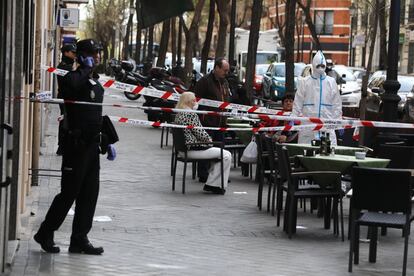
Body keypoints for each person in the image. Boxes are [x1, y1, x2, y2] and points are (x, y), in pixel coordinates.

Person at [34, 39, 105, 255]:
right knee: (69, 193)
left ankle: (79, 239)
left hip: (92, 144)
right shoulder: (69, 76)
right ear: (81, 56)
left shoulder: (93, 79)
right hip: (76, 144)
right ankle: (45, 232)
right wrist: (83, 68)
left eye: (98, 54)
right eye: (93, 54)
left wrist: (106, 138)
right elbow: (71, 87)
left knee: (90, 193)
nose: (97, 57)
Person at [174, 92, 232, 194]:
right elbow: (200, 133)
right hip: (192, 149)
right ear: (189, 102)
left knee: (219, 154)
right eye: (194, 100)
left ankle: (213, 182)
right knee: (226, 155)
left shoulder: (179, 113)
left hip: (182, 149)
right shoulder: (190, 114)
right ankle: (213, 185)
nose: (196, 102)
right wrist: (210, 141)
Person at [292, 51, 342, 145]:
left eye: (323, 66)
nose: (320, 68)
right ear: (314, 65)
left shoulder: (331, 82)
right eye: (318, 65)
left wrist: (337, 121)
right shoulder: (305, 82)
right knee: (305, 152)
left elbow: (337, 104)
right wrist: (293, 116)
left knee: (328, 152)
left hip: (326, 125)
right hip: (308, 126)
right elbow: (298, 101)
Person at [194, 57, 231, 183]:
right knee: (206, 148)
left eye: (227, 71)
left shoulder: (225, 82)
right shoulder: (205, 81)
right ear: (216, 68)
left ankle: (219, 174)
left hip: (221, 121)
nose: (226, 73)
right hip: (208, 122)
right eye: (224, 70)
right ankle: (203, 174)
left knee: (220, 149)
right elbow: (196, 99)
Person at [56, 44, 77, 155]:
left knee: (67, 121)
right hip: (65, 98)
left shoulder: (69, 64)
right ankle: (61, 147)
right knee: (64, 122)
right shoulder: (64, 66)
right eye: (73, 52)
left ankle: (64, 146)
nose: (74, 54)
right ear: (66, 53)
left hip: (68, 98)